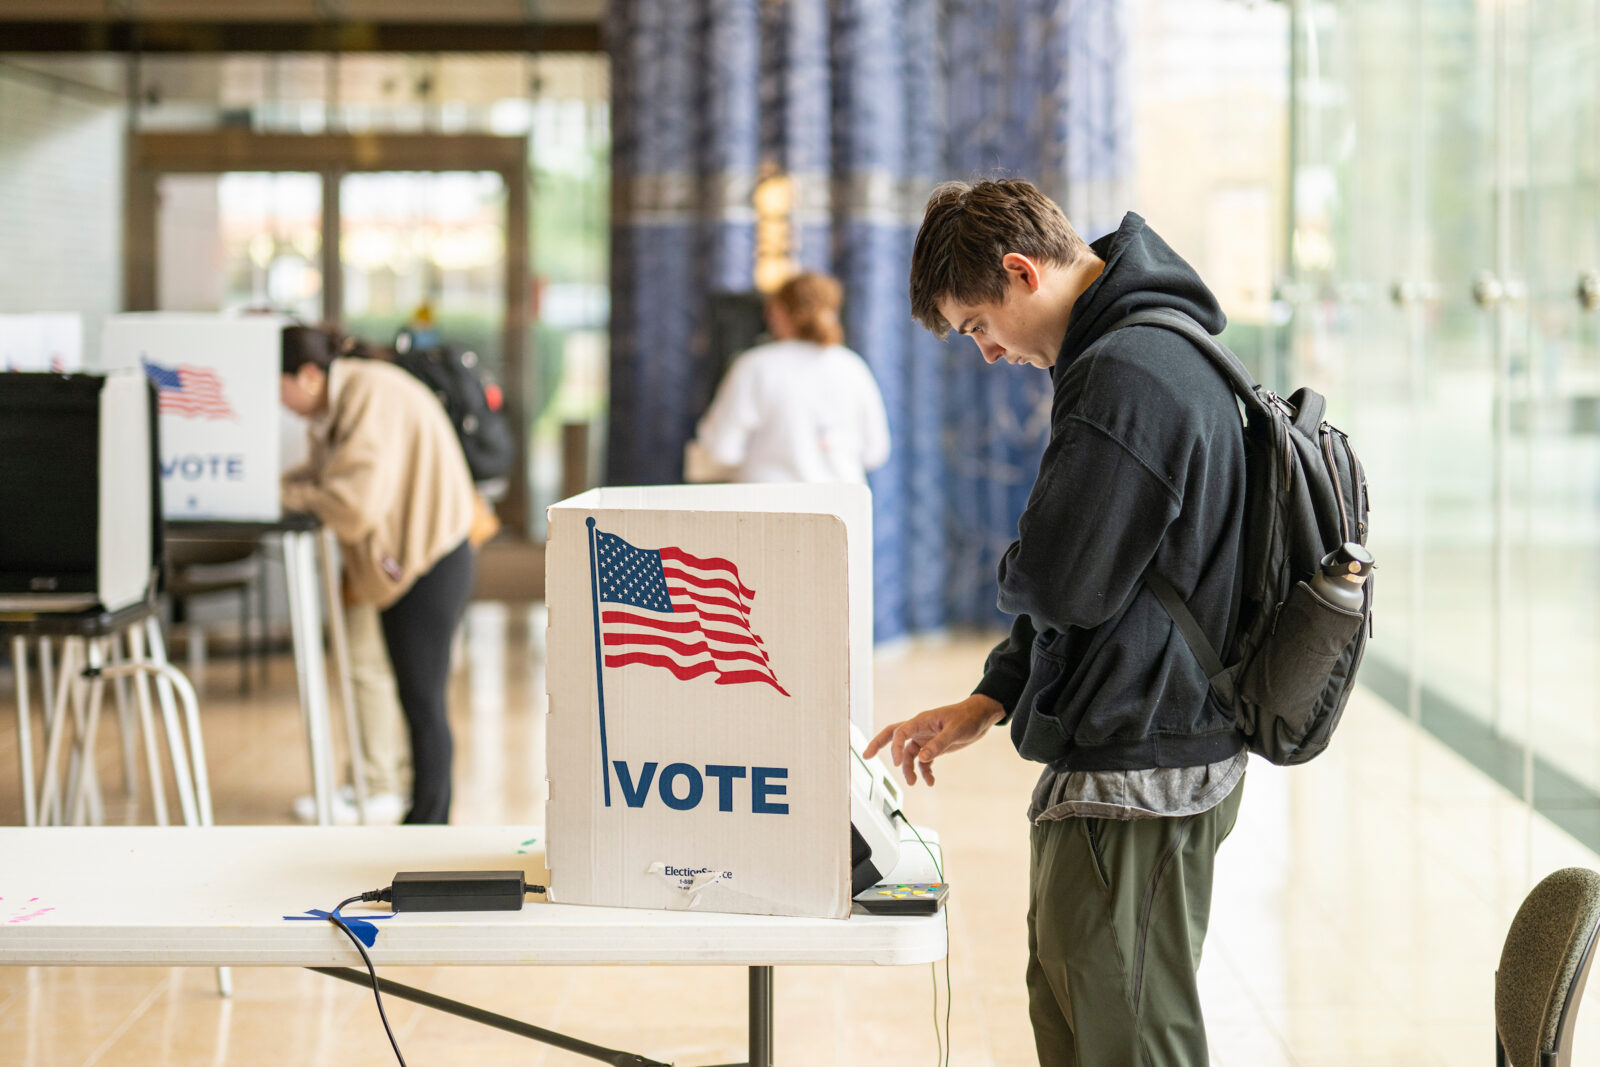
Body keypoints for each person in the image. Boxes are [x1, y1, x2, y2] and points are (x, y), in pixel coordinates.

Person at [864, 178, 1249, 1067]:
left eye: (976, 326)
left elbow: (1060, 577)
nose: (989, 352)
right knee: (1079, 1010)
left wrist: (1018, 557)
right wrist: (991, 695)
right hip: (1136, 748)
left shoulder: (1128, 372)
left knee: (1128, 1033)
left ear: (1018, 271)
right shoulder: (1134, 349)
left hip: (1143, 764)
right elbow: (1107, 578)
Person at [279, 325, 477, 825]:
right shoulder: (348, 397)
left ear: (306, 376)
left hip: (429, 560)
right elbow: (322, 479)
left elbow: (352, 506)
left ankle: (430, 825)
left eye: (274, 384)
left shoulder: (368, 395)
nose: (274, 399)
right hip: (418, 559)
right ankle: (422, 819)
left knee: (423, 699)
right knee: (417, 698)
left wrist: (285, 496)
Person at [690, 271, 890, 483]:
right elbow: (875, 452)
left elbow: (721, 449)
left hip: (769, 506)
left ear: (778, 312)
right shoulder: (853, 367)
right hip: (844, 507)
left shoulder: (755, 366)